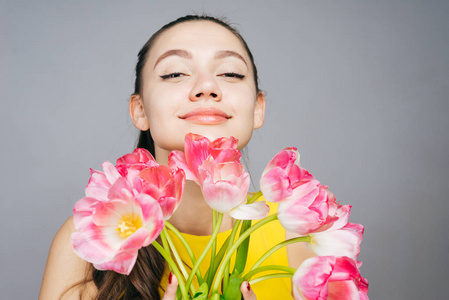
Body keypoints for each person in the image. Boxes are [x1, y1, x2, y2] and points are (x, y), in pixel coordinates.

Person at [39, 15, 315, 300]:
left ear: (258, 109)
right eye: (174, 74)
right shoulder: (92, 232)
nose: (207, 86)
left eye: (231, 73)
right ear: (140, 110)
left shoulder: (296, 229)